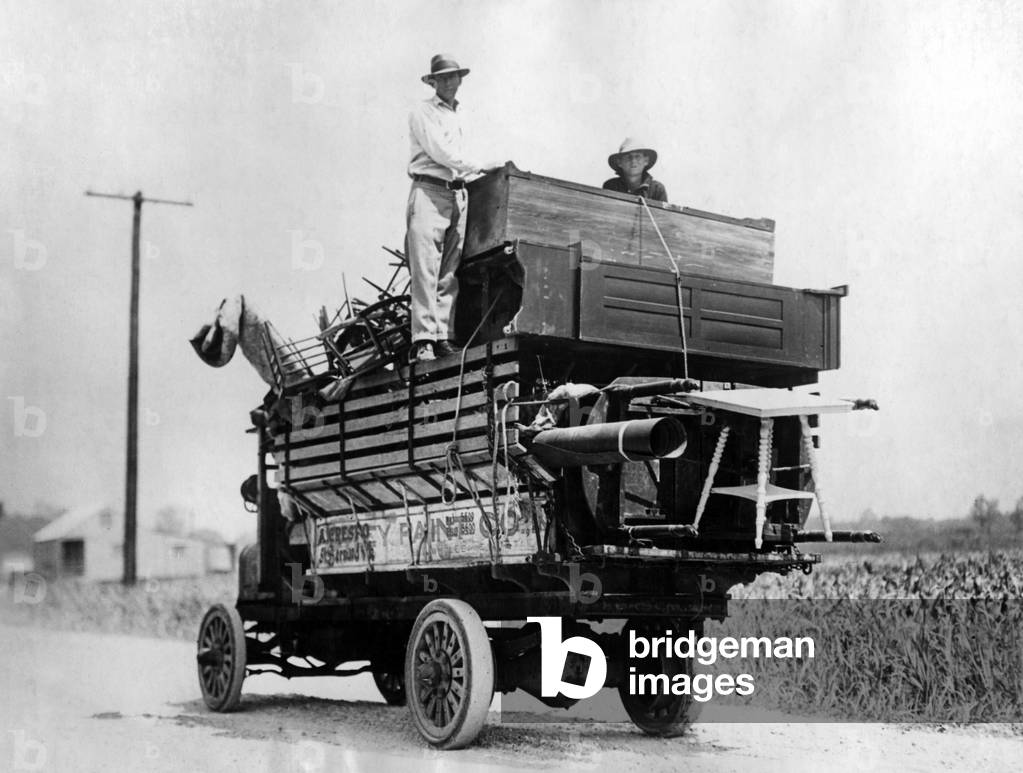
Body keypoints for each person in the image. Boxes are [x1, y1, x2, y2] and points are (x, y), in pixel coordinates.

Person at [405, 54, 499, 363]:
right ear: (432, 82)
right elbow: (440, 152)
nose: (449, 82)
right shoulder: (423, 111)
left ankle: (442, 336)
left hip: (458, 193)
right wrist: (480, 166)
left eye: (453, 77)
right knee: (425, 267)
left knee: (449, 270)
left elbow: (463, 155)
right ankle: (423, 340)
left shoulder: (463, 115)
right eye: (442, 78)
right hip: (430, 189)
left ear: (460, 80)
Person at [602, 138, 668, 202]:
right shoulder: (611, 186)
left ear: (646, 161)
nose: (633, 161)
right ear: (620, 162)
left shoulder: (657, 190)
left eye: (637, 156)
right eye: (628, 157)